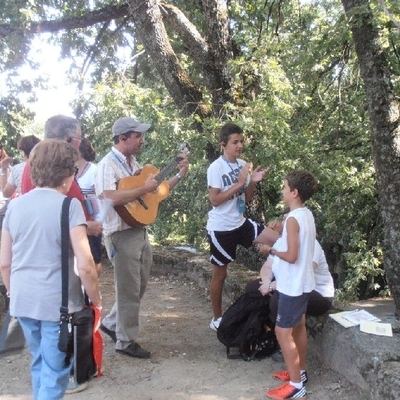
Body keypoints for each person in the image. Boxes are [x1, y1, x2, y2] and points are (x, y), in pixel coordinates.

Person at [0, 139, 101, 400]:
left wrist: (13, 295)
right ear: (68, 173)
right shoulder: (69, 206)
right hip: (58, 307)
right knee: (56, 371)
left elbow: (5, 262)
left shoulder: (15, 205)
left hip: (23, 301)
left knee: (40, 361)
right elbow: (86, 264)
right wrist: (96, 300)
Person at [95, 116, 189, 358]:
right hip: (120, 235)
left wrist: (178, 175)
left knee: (139, 284)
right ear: (123, 138)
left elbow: (154, 195)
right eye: (137, 136)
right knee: (128, 289)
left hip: (138, 230)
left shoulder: (133, 163)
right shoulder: (108, 165)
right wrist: (143, 188)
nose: (142, 140)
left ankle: (112, 322)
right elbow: (108, 197)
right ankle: (125, 341)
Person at [206, 122, 279, 331]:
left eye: (241, 141)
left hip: (240, 223)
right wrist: (239, 183)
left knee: (279, 240)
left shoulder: (243, 165)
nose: (239, 146)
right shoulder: (215, 168)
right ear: (223, 144)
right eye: (235, 142)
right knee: (220, 274)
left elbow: (246, 199)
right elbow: (215, 200)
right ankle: (217, 319)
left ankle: (278, 290)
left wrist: (252, 181)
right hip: (221, 229)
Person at [259, 170, 318, 400]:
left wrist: (270, 249)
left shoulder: (293, 218)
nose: (282, 190)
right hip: (302, 282)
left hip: (292, 285)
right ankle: (299, 373)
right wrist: (282, 230)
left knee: (283, 332)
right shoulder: (304, 214)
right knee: (298, 327)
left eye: (285, 187)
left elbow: (292, 255)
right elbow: (299, 240)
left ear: (295, 192)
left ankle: (296, 386)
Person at [76, 138, 103, 277]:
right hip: (77, 220)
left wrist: (99, 221)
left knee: (94, 257)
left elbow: (100, 197)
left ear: (80, 151)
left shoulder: (94, 171)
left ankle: (94, 286)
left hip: (92, 220)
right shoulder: (72, 171)